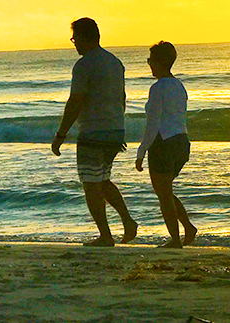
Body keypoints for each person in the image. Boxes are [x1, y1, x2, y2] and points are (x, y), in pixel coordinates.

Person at [51, 17, 138, 246]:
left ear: (82, 37)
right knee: (103, 180)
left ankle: (106, 235)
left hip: (93, 131)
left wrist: (61, 134)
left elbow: (76, 100)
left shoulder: (84, 65)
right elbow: (122, 98)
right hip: (114, 129)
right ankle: (128, 221)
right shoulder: (114, 62)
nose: (74, 44)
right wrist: (119, 127)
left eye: (74, 39)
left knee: (91, 184)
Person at [135, 41, 197, 248]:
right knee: (166, 191)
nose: (149, 64)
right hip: (181, 141)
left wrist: (141, 151)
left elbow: (153, 123)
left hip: (164, 142)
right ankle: (187, 228)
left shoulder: (158, 88)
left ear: (158, 62)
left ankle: (176, 238)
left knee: (163, 194)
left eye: (150, 60)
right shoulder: (179, 86)